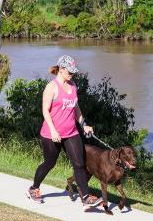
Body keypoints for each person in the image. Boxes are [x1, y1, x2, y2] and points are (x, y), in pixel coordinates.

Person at [26, 55, 102, 210]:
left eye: (74, 71)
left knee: (79, 164)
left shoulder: (73, 85)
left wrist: (84, 124)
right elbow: (45, 111)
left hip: (71, 132)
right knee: (49, 163)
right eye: (70, 71)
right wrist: (53, 130)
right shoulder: (51, 87)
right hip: (51, 134)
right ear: (61, 69)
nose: (72, 74)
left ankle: (86, 198)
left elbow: (75, 108)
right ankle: (33, 188)